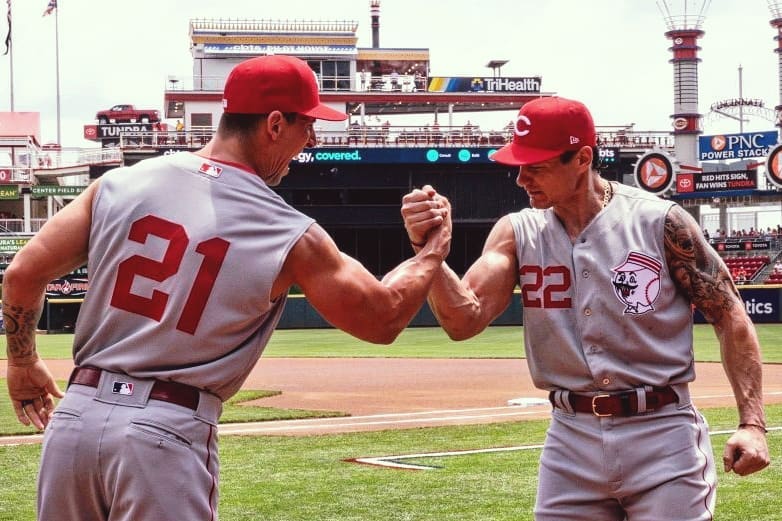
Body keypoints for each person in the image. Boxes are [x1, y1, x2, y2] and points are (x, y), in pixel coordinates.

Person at [3, 54, 451, 521]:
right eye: (307, 126)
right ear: (275, 124)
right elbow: (381, 318)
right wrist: (431, 252)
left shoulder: (119, 184)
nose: (312, 140)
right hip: (162, 432)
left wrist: (23, 362)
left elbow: (22, 274)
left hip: (74, 422)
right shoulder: (286, 230)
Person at [401, 96, 769, 521]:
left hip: (662, 434)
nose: (521, 178)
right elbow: (464, 320)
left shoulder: (658, 221)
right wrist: (429, 252)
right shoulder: (518, 232)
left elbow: (729, 314)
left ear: (581, 158)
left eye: (535, 166)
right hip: (569, 440)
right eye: (519, 165)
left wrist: (752, 424)